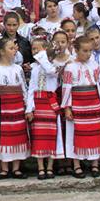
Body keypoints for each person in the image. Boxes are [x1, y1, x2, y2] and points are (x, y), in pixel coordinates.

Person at [61, 36, 100, 178]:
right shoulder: (70, 67)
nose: (88, 54)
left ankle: (95, 164)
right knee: (75, 134)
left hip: (94, 104)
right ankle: (76, 165)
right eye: (85, 51)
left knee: (95, 133)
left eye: (90, 51)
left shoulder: (95, 66)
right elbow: (66, 88)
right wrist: (67, 107)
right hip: (77, 104)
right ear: (76, 50)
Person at [0, 36, 29, 179]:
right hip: (3, 109)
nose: (14, 50)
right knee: (4, 137)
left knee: (19, 136)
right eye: (11, 48)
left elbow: (24, 89)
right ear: (2, 52)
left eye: (15, 48)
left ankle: (16, 168)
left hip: (18, 108)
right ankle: (4, 168)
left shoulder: (18, 69)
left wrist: (28, 107)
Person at [26, 37, 62, 179]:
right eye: (33, 49)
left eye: (38, 49)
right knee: (39, 136)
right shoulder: (34, 68)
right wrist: (29, 108)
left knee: (52, 135)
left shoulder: (53, 66)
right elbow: (31, 88)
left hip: (50, 103)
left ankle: (50, 167)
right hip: (38, 103)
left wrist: (43, 58)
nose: (35, 51)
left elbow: (51, 72)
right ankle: (41, 166)